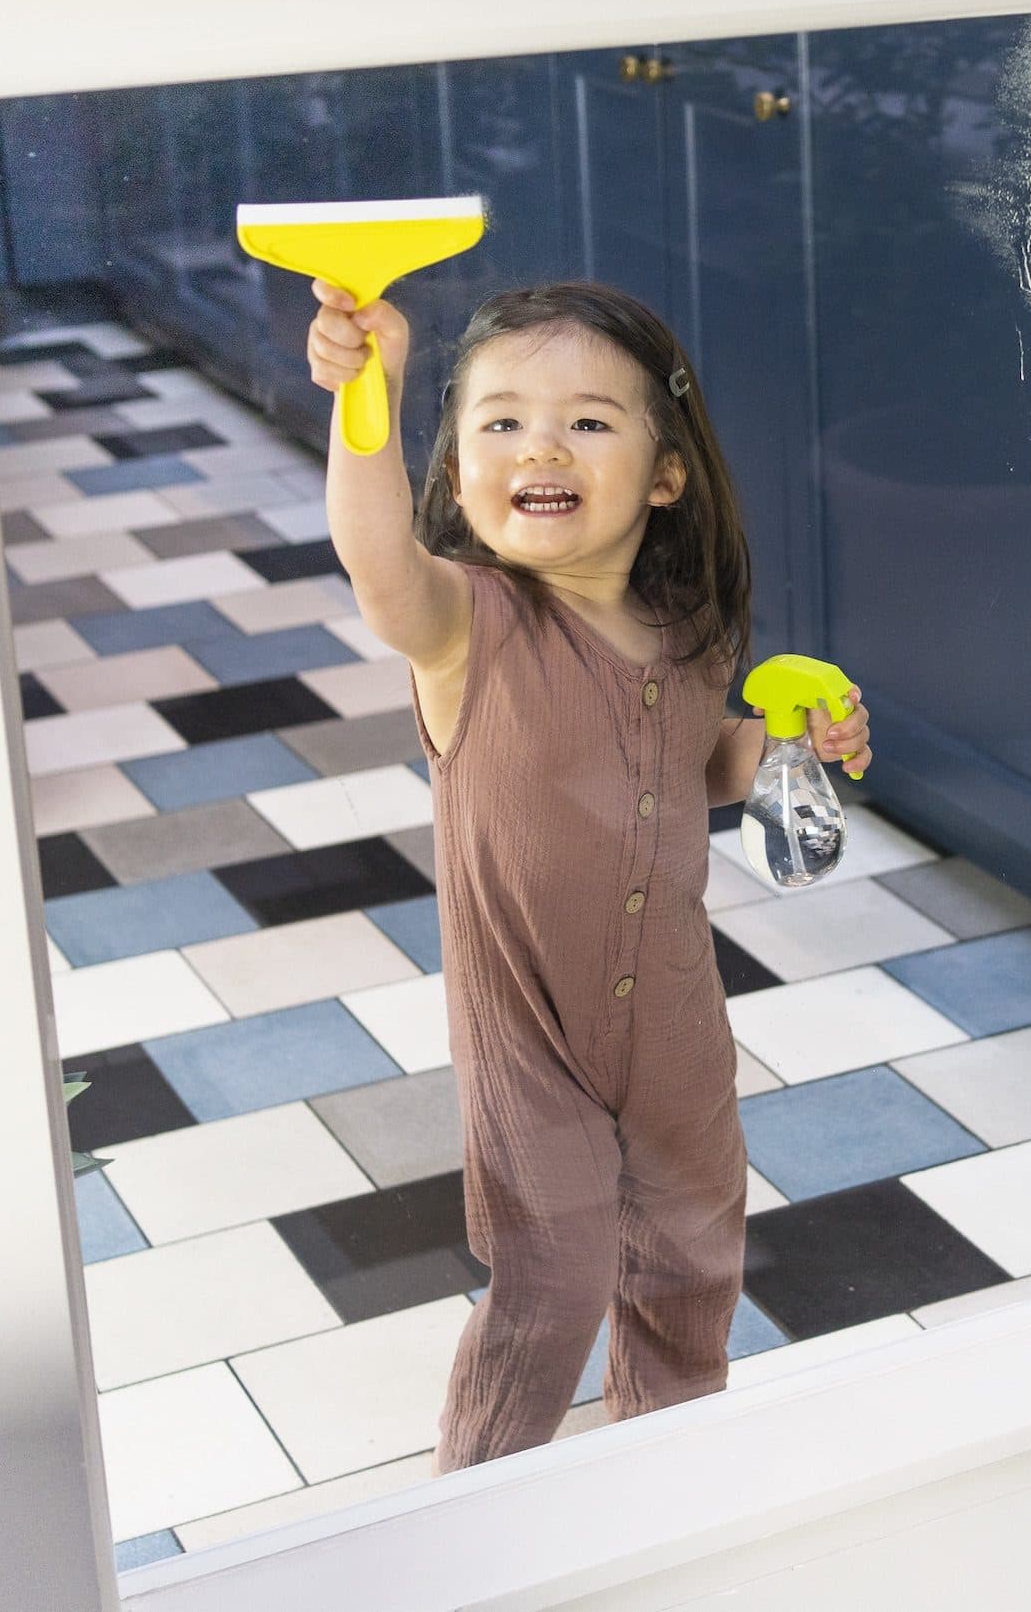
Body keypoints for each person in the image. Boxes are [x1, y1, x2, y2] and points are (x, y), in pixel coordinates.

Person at [306, 276, 873, 1470]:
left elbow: (688, 766)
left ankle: (662, 1492)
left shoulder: (691, 634)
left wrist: (783, 745)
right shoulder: (467, 625)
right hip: (531, 1038)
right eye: (499, 422)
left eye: (589, 421)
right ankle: (480, 1517)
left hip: (674, 1018)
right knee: (553, 1280)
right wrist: (373, 386)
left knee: (691, 1262)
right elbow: (374, 558)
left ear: (666, 474)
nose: (540, 446)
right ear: (456, 472)